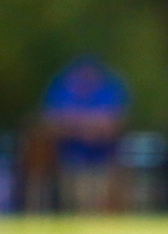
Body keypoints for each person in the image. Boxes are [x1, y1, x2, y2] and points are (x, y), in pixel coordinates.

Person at [36, 55, 132, 212]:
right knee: (73, 193)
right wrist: (87, 127)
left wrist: (78, 125)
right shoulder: (64, 88)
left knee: (97, 192)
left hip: (102, 152)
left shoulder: (110, 88)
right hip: (70, 150)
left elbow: (114, 123)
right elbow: (50, 121)